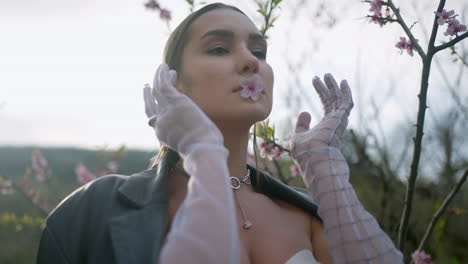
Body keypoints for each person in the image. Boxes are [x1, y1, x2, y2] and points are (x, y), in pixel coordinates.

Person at [37, 2, 403, 264]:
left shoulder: (309, 212)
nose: (251, 61)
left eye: (259, 50)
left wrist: (325, 168)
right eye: (218, 48)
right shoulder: (93, 210)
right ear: (173, 84)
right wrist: (201, 150)